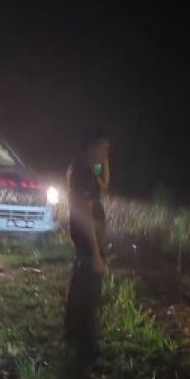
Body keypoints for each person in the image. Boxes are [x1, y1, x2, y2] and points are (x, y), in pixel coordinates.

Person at [64, 130, 111, 359]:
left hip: (84, 237)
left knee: (80, 283)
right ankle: (85, 340)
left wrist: (104, 163)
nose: (105, 152)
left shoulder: (84, 168)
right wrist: (96, 253)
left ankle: (73, 332)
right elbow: (86, 214)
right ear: (90, 147)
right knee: (89, 289)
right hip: (87, 238)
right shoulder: (82, 172)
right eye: (102, 148)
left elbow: (103, 185)